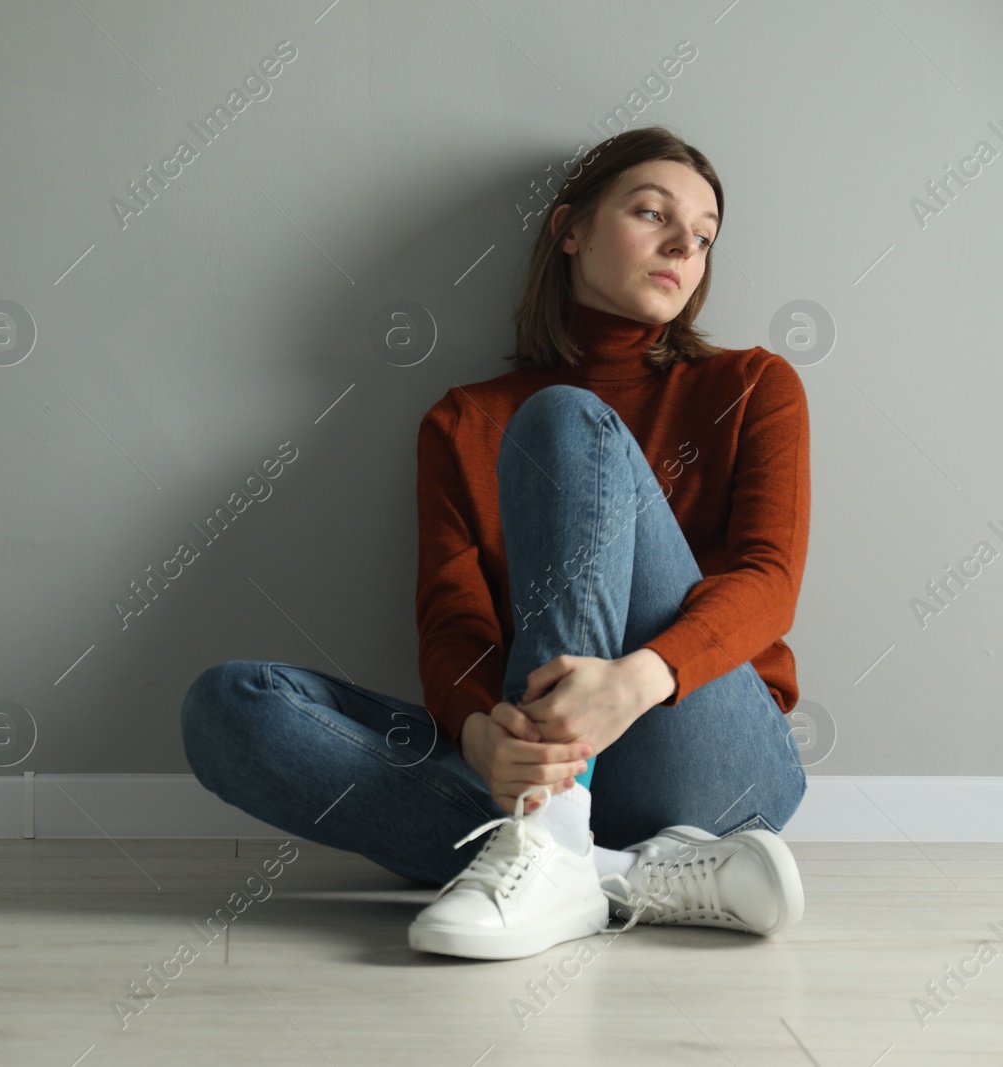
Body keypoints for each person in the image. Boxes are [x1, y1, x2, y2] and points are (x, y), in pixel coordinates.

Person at [180, 125, 812, 961]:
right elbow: (454, 623)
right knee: (228, 706)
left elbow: (769, 582)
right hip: (534, 762)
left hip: (708, 753)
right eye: (652, 212)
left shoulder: (754, 385)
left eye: (701, 237)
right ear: (570, 230)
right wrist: (481, 735)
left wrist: (631, 684)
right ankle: (605, 869)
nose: (680, 247)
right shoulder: (461, 420)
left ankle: (546, 841)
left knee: (560, 417)